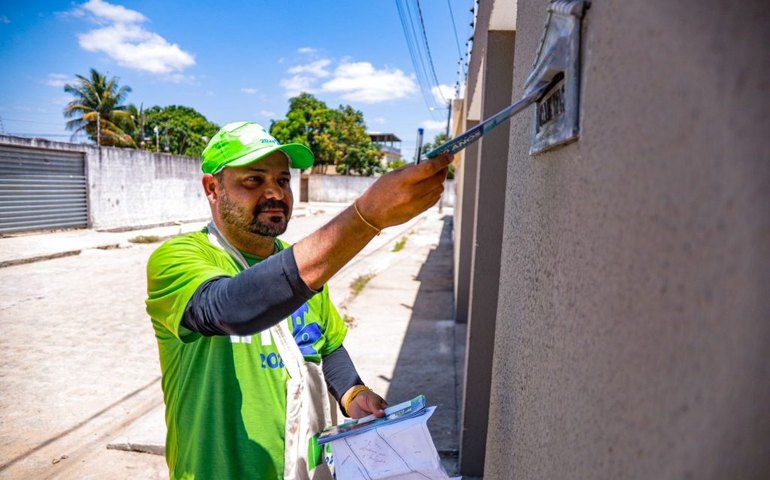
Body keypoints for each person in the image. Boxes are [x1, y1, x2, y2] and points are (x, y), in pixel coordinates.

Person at [145, 121, 452, 479]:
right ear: (213, 188)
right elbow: (230, 308)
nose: (275, 193)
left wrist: (353, 393)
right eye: (254, 180)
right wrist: (366, 217)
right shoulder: (179, 258)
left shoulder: (301, 264)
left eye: (283, 180)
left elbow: (326, 346)